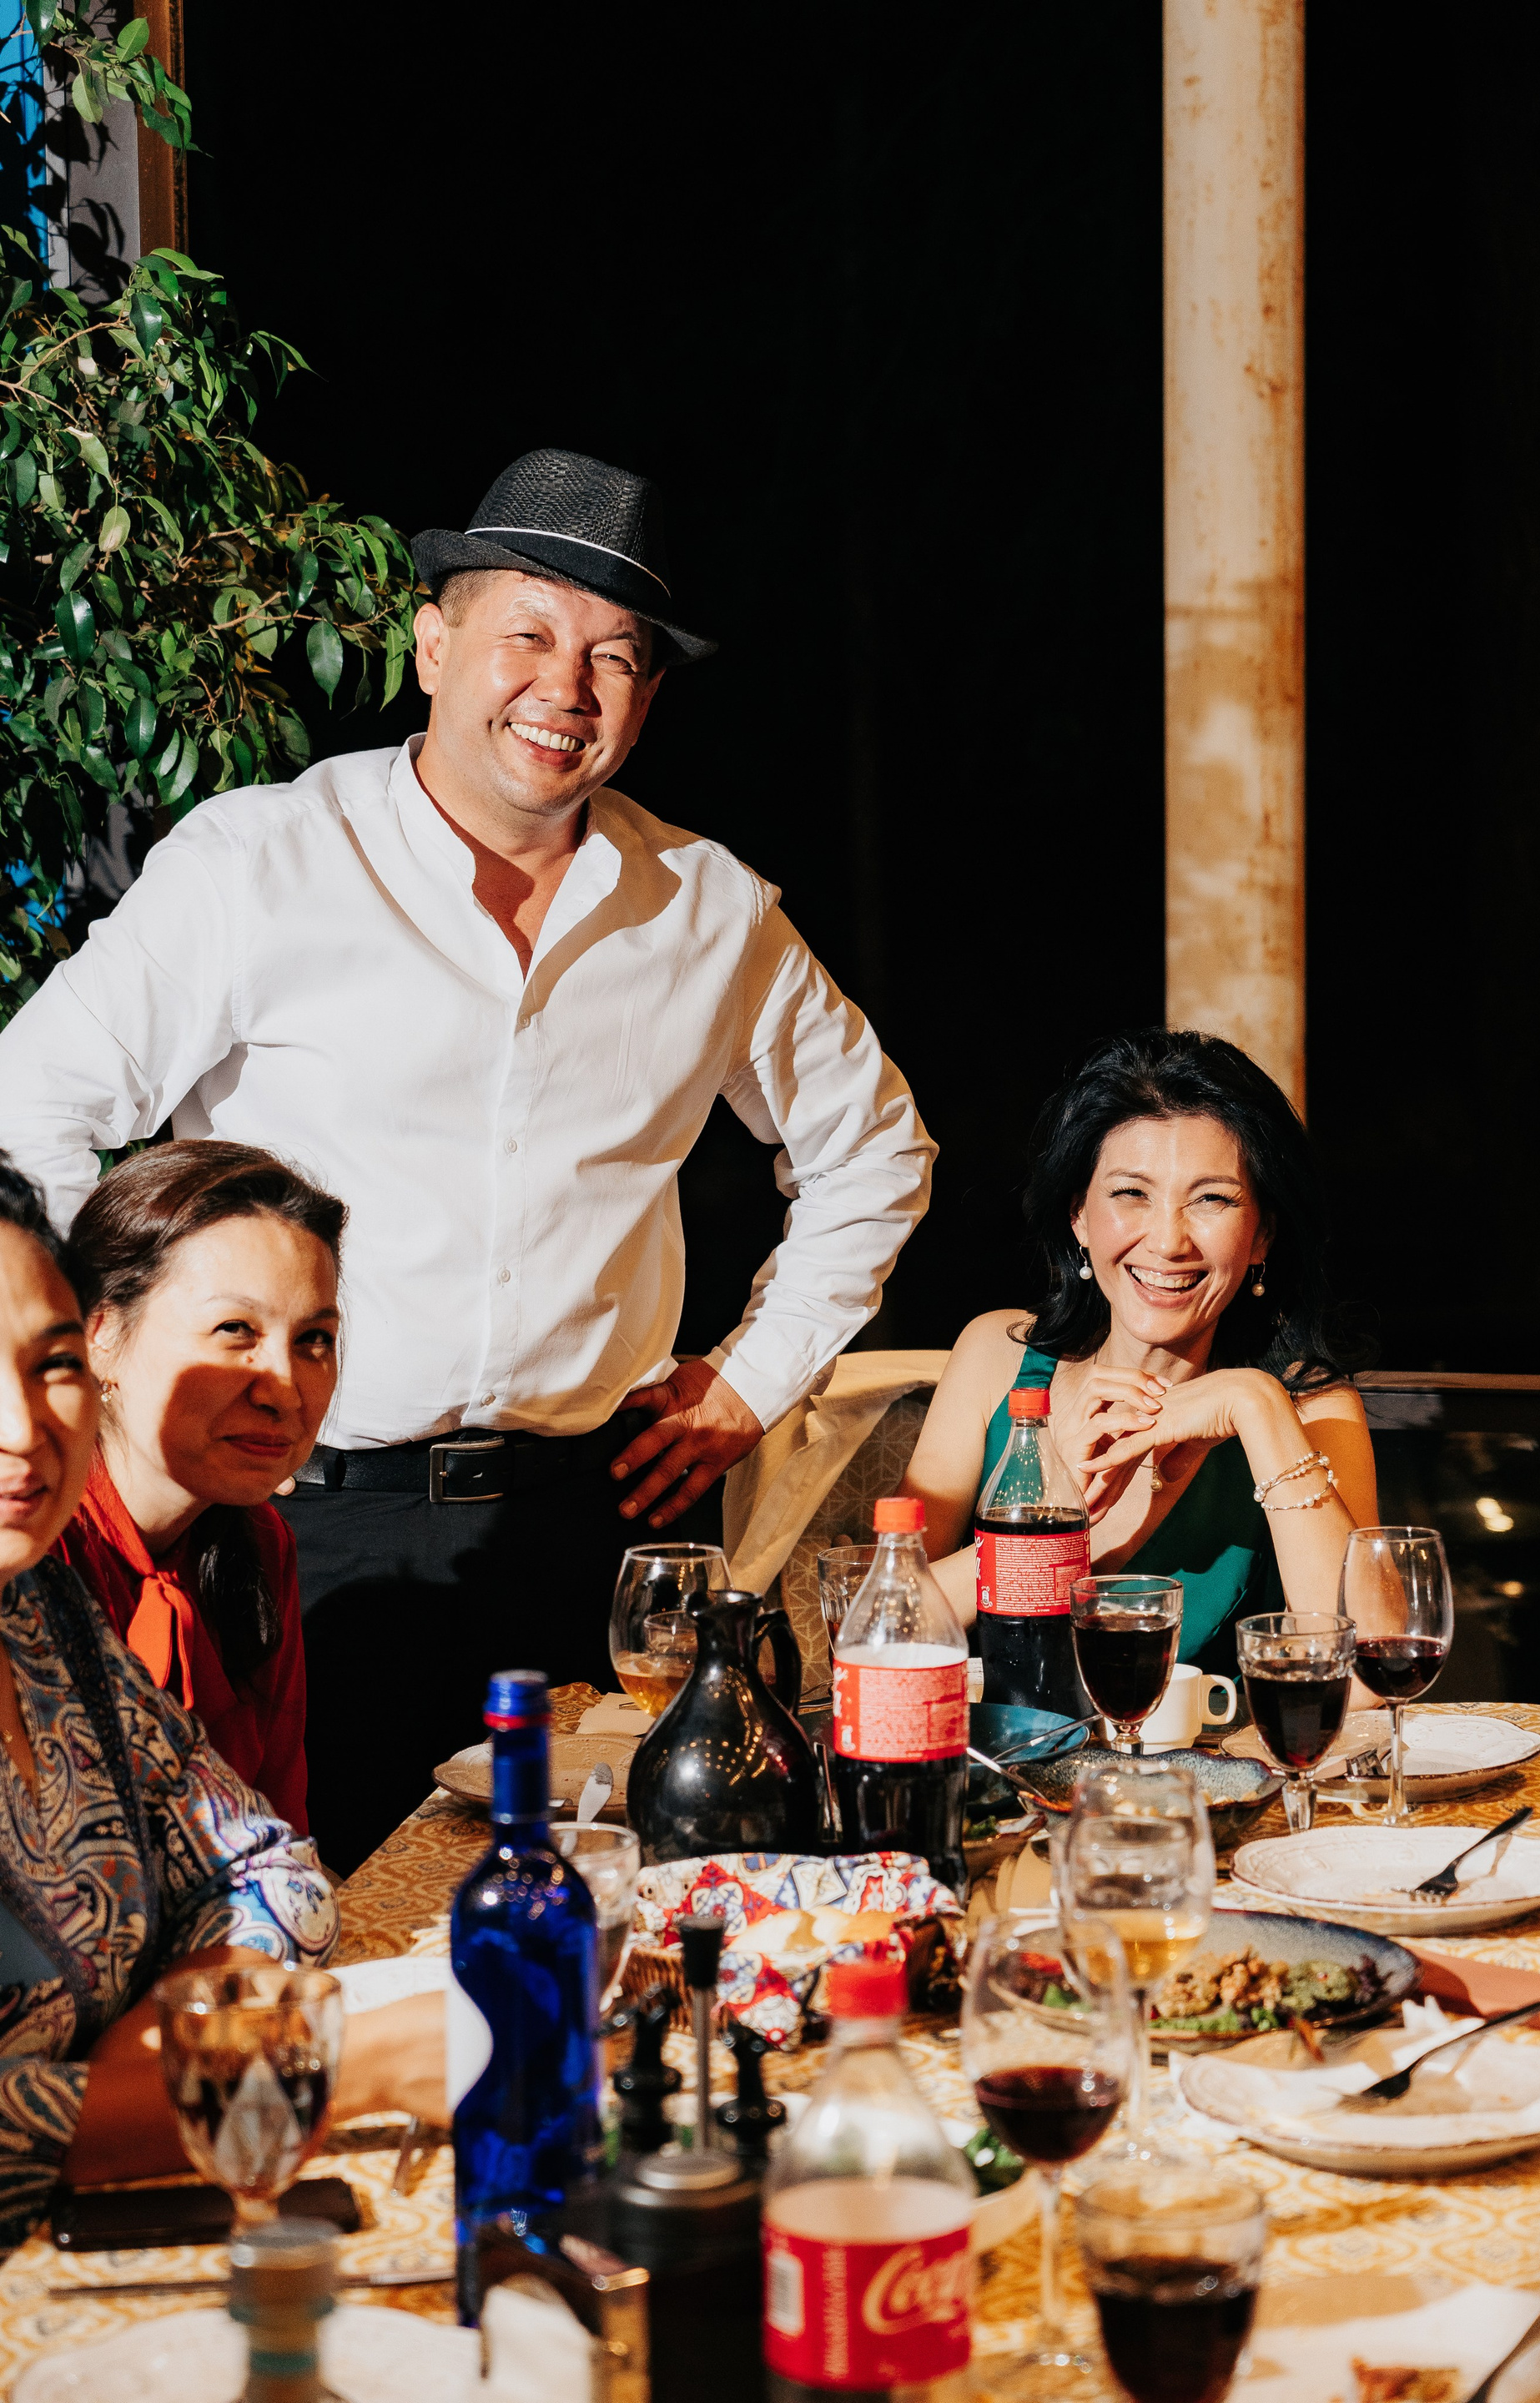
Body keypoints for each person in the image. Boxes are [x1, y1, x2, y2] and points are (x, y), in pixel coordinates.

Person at [0, 447, 934, 1869]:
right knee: (289, 1915)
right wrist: (129, 1365)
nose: (567, 687)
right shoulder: (263, 862)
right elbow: (29, 1106)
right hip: (302, 1528)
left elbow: (875, 1150)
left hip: (592, 1536)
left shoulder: (707, 909)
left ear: (648, 697)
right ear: (434, 645)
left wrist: (754, 1379)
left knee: (610, 1912)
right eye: (529, 634)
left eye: (615, 657)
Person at [0, 1156, 442, 2249]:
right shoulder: (61, 1557)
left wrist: (170, 2057)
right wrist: (334, 2068)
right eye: (234, 1332)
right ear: (110, 1338)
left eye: (42, 1366)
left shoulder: (43, 1615)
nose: (21, 1421)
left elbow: (267, 1863)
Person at [902, 1029, 1379, 1683]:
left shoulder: (1312, 1410)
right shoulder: (996, 1356)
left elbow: (1367, 1683)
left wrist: (1256, 1403)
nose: (1169, 1241)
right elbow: (878, 1626)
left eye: (1211, 1199)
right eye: (1132, 1193)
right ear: (1079, 1215)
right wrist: (1048, 1523)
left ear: (1262, 1234)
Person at [56, 1142, 345, 1833]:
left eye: (313, 1339)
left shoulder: (259, 1544)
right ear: (100, 1334)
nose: (284, 1390)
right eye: (235, 1329)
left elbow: (280, 1826)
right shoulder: (35, 1548)